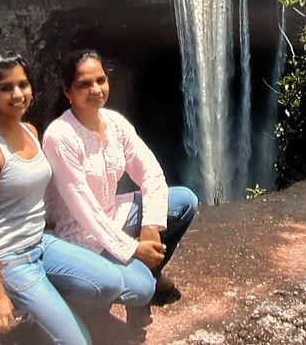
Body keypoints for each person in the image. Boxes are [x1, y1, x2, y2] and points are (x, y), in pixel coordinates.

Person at [0, 51, 130, 344]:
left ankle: (34, 315)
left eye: (23, 85)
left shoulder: (30, 131)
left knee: (110, 283)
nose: (18, 94)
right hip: (9, 258)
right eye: (6, 88)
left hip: (40, 243)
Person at [42, 49, 198, 324]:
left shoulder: (114, 122)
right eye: (84, 84)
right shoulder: (60, 136)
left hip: (114, 215)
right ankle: (82, 294)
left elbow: (150, 171)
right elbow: (86, 212)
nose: (96, 90)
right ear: (67, 91)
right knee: (141, 289)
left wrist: (150, 228)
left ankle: (150, 269)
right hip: (79, 236)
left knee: (184, 200)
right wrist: (134, 248)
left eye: (101, 80)